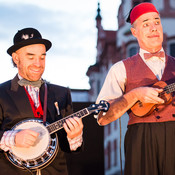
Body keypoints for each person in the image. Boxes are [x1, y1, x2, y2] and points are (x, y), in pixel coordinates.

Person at [96, 2, 175, 175]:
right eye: (146, 24)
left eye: (157, 22)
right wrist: (134, 96)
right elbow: (102, 118)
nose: (154, 28)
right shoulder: (120, 69)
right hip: (140, 139)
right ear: (134, 32)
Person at [0, 27, 84, 175]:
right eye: (31, 57)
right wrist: (13, 138)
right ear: (16, 58)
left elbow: (69, 148)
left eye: (42, 57)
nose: (38, 64)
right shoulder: (1, 93)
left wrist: (74, 136)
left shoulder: (62, 94)